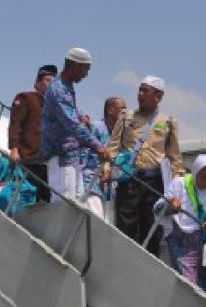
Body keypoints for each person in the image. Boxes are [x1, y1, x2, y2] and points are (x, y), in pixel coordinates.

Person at [103, 75, 183, 257]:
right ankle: (125, 262)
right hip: (129, 180)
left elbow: (175, 157)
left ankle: (149, 266)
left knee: (152, 228)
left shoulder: (168, 122)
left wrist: (177, 188)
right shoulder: (126, 116)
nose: (140, 94)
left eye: (145, 91)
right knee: (126, 226)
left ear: (158, 96)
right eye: (140, 90)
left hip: (154, 182)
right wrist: (107, 168)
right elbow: (113, 147)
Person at [40, 48, 112, 202]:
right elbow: (72, 124)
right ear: (74, 65)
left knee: (78, 202)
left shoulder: (66, 86)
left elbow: (70, 110)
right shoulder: (59, 89)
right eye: (85, 69)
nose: (86, 75)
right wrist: (98, 146)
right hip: (60, 154)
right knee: (64, 204)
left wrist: (80, 114)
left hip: (71, 155)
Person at [160, 154, 206, 290]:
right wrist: (170, 205)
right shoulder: (180, 184)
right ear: (195, 172)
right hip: (183, 245)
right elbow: (158, 208)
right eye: (203, 177)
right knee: (190, 286)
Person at [8, 64, 57, 202]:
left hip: (46, 163)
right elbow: (15, 125)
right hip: (27, 158)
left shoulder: (55, 108)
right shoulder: (26, 98)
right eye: (48, 80)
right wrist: (14, 149)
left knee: (46, 201)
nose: (51, 85)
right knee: (26, 197)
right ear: (38, 82)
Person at [80, 97, 126, 221]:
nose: (125, 114)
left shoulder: (118, 134)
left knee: (108, 224)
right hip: (90, 183)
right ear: (111, 110)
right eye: (122, 110)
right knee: (96, 222)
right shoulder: (96, 127)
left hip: (108, 189)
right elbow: (83, 154)